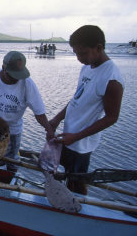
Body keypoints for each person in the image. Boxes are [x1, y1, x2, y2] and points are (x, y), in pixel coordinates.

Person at [49, 25, 124, 195]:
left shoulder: (111, 79)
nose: (78, 58)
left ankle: (80, 209)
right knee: (64, 174)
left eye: (82, 53)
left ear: (98, 48)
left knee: (77, 182)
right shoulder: (87, 67)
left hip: (81, 143)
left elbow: (112, 117)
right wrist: (57, 119)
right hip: (69, 135)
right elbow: (77, 99)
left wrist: (76, 136)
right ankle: (64, 201)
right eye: (76, 53)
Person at [0, 51, 54, 172]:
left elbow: (39, 111)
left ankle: (10, 183)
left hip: (12, 131)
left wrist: (49, 129)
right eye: (13, 75)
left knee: (12, 162)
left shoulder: (27, 83)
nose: (16, 79)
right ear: (3, 68)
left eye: (18, 75)